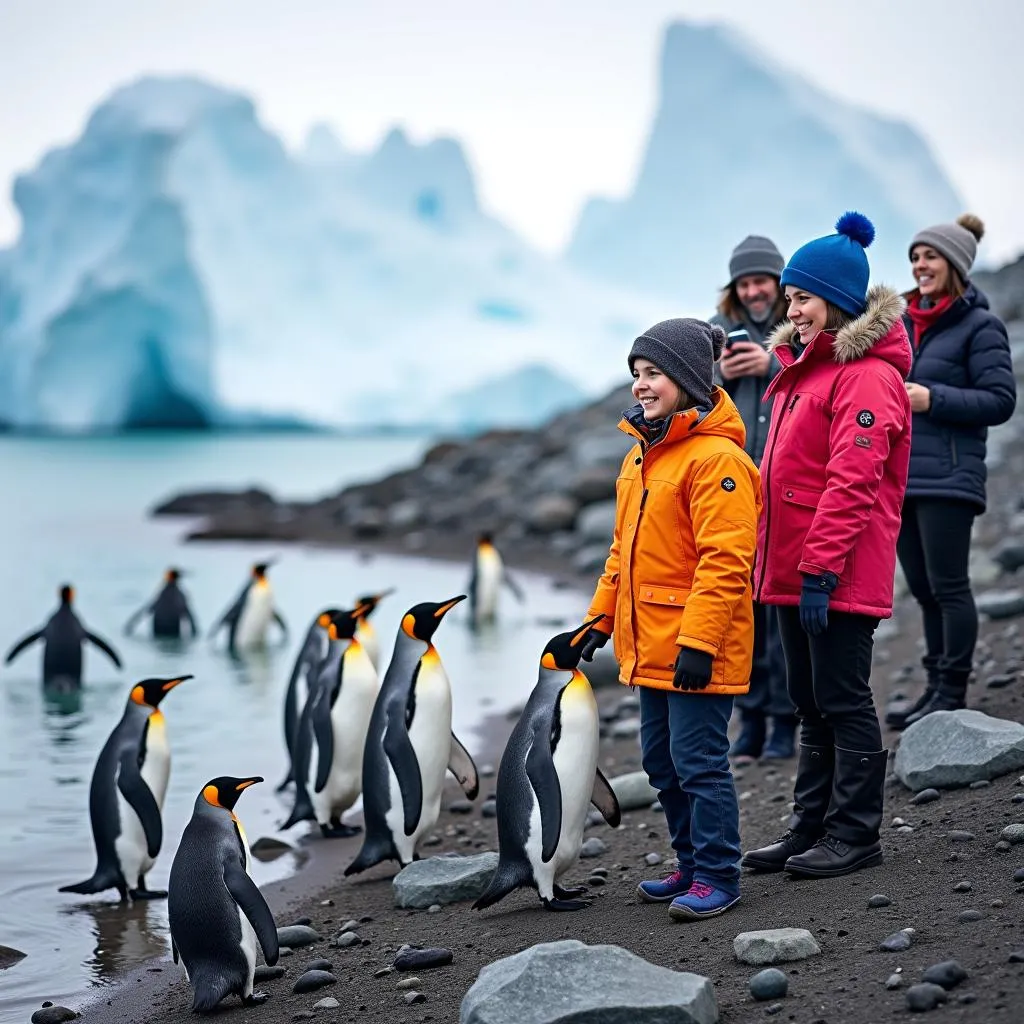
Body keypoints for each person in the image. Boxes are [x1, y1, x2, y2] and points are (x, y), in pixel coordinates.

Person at [741, 212, 912, 879]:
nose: (792, 310)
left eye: (802, 298)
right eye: (789, 298)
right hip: (791, 571)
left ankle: (856, 832)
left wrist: (818, 572)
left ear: (837, 302)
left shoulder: (867, 377)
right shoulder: (803, 371)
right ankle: (809, 826)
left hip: (835, 572)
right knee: (808, 701)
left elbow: (853, 481)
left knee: (843, 697)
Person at [581, 318, 760, 920]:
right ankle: (689, 863)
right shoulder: (641, 458)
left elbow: (727, 559)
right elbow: (621, 554)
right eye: (636, 374)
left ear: (686, 378)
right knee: (660, 759)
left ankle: (717, 873)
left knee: (700, 761)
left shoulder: (716, 460)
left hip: (694, 647)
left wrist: (700, 642)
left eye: (654, 374)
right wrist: (598, 622)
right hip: (649, 644)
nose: (642, 386)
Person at [886, 214, 1016, 730]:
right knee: (921, 588)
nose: (920, 265)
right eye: (915, 257)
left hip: (949, 477)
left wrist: (931, 398)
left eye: (930, 256)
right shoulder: (898, 323)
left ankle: (952, 690)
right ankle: (934, 687)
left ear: (955, 265)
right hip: (901, 477)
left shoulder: (980, 325)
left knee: (949, 586)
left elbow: (1001, 400)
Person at [711, 235, 797, 760]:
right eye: (744, 283)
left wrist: (772, 366)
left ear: (779, 281)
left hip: (785, 491)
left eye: (761, 280)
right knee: (742, 612)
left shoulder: (803, 330)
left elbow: (826, 385)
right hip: (737, 492)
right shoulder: (720, 334)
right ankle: (754, 718)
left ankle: (785, 721)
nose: (753, 291)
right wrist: (718, 372)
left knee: (779, 613)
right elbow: (694, 400)